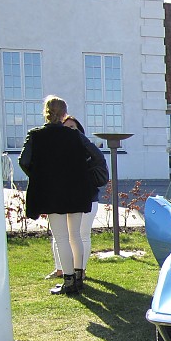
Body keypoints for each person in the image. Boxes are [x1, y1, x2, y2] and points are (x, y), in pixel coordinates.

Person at [19, 96, 95, 295]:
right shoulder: (75, 135)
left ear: (46, 112)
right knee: (75, 235)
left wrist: (40, 176)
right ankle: (78, 277)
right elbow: (95, 155)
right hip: (76, 190)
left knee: (61, 237)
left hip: (52, 192)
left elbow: (24, 161)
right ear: (64, 113)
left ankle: (69, 281)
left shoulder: (35, 135)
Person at [45, 115, 107, 288]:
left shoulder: (87, 149)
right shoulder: (55, 150)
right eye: (65, 128)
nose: (68, 131)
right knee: (60, 235)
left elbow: (99, 162)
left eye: (72, 128)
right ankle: (61, 269)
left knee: (81, 234)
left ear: (79, 131)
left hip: (86, 198)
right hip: (63, 199)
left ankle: (80, 270)